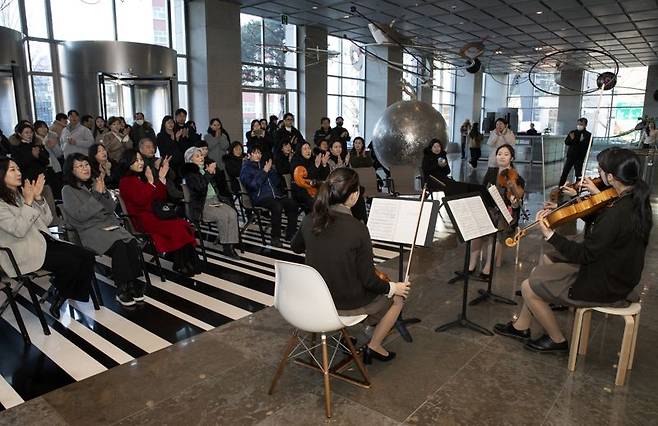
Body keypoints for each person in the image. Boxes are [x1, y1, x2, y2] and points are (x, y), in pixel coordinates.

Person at [494, 148, 651, 353]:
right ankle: (521, 326)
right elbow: (604, 228)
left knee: (528, 286)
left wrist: (551, 236)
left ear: (611, 177)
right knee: (540, 271)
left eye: (601, 171)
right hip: (616, 272)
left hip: (606, 283)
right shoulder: (633, 202)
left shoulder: (618, 212)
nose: (598, 175)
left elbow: (585, 254)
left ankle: (557, 340)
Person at [291, 168, 410, 364]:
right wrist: (393, 287)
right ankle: (374, 346)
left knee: (344, 277)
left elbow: (295, 247)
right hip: (342, 303)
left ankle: (353, 335)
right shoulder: (358, 228)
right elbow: (369, 280)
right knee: (398, 297)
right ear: (354, 196)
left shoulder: (310, 218)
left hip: (315, 297)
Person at [0, 159, 95, 319]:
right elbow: (19, 230)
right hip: (20, 252)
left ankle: (62, 293)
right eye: (12, 170)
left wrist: (37, 198)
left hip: (41, 243)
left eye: (18, 168)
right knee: (70, 261)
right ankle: (59, 295)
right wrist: (29, 203)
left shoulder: (21, 196)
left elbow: (46, 221)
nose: (18, 173)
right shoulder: (2, 204)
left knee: (86, 256)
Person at [61, 154, 143, 306]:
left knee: (130, 242)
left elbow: (111, 208)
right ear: (71, 171)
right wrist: (97, 194)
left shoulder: (94, 183)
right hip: (89, 230)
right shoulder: (67, 190)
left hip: (108, 226)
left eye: (86, 164)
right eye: (79, 166)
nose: (85, 168)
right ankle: (122, 288)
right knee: (119, 245)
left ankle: (132, 282)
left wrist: (104, 192)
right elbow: (80, 216)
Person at [118, 150, 200, 276]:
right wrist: (151, 183)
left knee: (182, 223)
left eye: (141, 159)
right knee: (176, 227)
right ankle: (181, 264)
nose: (140, 163)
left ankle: (183, 261)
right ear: (128, 163)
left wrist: (161, 177)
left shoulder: (141, 176)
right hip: (141, 219)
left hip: (153, 214)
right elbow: (141, 201)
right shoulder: (126, 181)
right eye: (136, 160)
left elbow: (158, 198)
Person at [470, 144, 524, 279]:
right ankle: (471, 266)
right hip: (489, 208)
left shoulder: (516, 177)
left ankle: (488, 267)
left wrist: (514, 200)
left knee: (495, 232)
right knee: (476, 232)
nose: (502, 156)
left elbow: (519, 200)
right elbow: (482, 191)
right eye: (500, 154)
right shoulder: (491, 171)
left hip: (506, 212)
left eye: (506, 154)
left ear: (511, 158)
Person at [181, 147, 240, 258]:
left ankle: (230, 243)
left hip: (215, 200)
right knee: (223, 216)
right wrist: (208, 173)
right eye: (197, 156)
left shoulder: (204, 169)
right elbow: (200, 187)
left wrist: (212, 173)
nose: (201, 158)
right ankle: (227, 247)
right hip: (202, 205)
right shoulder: (190, 174)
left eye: (201, 155)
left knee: (232, 213)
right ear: (190, 160)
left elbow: (217, 186)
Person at [240, 144, 299, 247]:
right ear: (249, 155)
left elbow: (276, 183)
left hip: (274, 195)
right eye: (255, 153)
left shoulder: (264, 165)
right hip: (259, 198)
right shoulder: (246, 169)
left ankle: (291, 233)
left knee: (292, 203)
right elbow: (253, 186)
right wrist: (264, 172)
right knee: (277, 206)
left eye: (259, 153)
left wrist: (271, 171)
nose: (258, 155)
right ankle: (275, 237)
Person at [290, 141, 329, 212]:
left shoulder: (313, 159)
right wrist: (316, 166)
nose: (308, 151)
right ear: (299, 150)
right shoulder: (296, 161)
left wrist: (324, 164)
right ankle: (314, 221)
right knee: (316, 203)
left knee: (329, 198)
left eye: (309, 148)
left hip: (314, 187)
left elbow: (323, 176)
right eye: (305, 149)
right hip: (301, 189)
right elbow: (305, 180)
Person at [33, 120, 64, 198]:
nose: (44, 129)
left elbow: (59, 154)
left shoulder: (50, 138)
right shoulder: (35, 142)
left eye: (45, 127)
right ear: (36, 129)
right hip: (44, 170)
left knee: (58, 191)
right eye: (41, 127)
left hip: (55, 168)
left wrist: (54, 146)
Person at [558, 117, 592, 187]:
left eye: (581, 124)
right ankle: (560, 186)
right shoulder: (573, 132)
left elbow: (585, 146)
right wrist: (572, 140)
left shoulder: (588, 135)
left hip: (579, 157)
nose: (579, 125)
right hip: (571, 156)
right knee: (565, 172)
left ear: (585, 125)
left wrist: (574, 140)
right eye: (578, 124)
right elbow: (566, 142)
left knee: (578, 174)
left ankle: (577, 188)